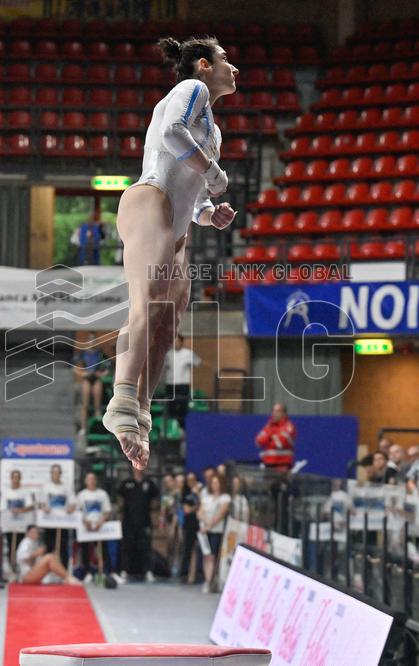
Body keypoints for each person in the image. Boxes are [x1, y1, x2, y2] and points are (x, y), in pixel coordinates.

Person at [101, 36, 238, 470]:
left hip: (176, 224)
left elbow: (194, 198)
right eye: (225, 60)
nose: (233, 69)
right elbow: (169, 133)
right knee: (146, 305)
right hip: (149, 201)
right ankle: (121, 402)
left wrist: (209, 213)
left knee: (168, 322)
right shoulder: (190, 90)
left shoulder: (213, 129)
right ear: (203, 65)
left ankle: (141, 413)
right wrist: (214, 172)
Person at [117, 467, 158, 583]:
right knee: (127, 546)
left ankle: (148, 571)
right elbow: (120, 500)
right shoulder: (126, 483)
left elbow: (154, 502)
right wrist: (121, 515)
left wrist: (155, 517)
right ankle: (124, 571)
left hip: (144, 521)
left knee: (145, 547)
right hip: (128, 521)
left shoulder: (149, 484)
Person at [76, 472, 113, 583]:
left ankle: (107, 572)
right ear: (85, 481)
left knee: (103, 550)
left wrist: (101, 521)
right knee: (85, 550)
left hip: (99, 526)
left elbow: (108, 511)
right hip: (86, 527)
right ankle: (87, 573)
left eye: (93, 479)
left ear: (96, 481)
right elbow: (78, 512)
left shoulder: (102, 494)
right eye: (89, 479)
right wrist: (84, 521)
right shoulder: (81, 495)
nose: (91, 481)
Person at [197, 474, 231, 593]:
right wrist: (205, 524)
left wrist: (210, 525)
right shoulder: (206, 497)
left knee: (212, 556)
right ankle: (207, 580)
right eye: (213, 483)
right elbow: (200, 512)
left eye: (217, 483)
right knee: (206, 556)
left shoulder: (225, 498)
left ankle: (211, 580)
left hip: (217, 530)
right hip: (204, 531)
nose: (215, 485)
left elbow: (220, 515)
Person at [15, 525, 81, 585]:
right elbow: (21, 558)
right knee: (49, 557)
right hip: (26, 576)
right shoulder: (25, 542)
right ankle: (68, 578)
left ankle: (66, 578)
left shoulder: (35, 542)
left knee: (53, 557)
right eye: (32, 532)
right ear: (27, 533)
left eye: (36, 532)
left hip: (32, 573)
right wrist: (35, 554)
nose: (35, 534)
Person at [39, 464, 76, 566]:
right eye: (53, 473)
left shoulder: (67, 487)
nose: (56, 475)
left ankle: (64, 570)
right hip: (49, 522)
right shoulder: (46, 487)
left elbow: (73, 503)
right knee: (49, 546)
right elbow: (41, 503)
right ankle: (46, 570)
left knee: (63, 547)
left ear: (60, 474)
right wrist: (44, 507)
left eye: (57, 473)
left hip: (63, 523)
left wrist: (70, 508)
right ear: (51, 474)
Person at [162, 334, 201, 427]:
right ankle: (171, 430)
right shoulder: (168, 354)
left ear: (182, 342)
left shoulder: (188, 353)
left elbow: (199, 362)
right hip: (170, 385)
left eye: (177, 341)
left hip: (183, 385)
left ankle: (183, 430)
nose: (175, 343)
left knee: (182, 408)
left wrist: (214, 368)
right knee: (171, 408)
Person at [72, 332, 109, 432]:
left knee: (97, 390)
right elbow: (75, 368)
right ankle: (83, 427)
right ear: (87, 342)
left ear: (96, 342)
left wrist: (101, 374)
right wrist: (82, 374)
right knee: (85, 404)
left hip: (96, 378)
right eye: (90, 340)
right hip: (86, 379)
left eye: (94, 340)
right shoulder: (82, 354)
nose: (91, 343)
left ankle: (97, 412)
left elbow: (107, 368)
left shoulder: (100, 354)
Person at [4, 470, 35, 577]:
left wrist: (20, 510)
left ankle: (21, 569)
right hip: (9, 524)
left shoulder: (25, 492)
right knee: (10, 546)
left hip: (22, 525)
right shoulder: (5, 492)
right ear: (11, 479)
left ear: (20, 479)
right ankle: (11, 567)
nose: (16, 479)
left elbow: (30, 506)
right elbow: (2, 508)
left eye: (18, 477)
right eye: (14, 477)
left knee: (20, 546)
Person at [254, 402, 297, 471]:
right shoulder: (269, 426)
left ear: (284, 413)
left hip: (283, 464)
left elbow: (280, 444)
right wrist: (272, 436)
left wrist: (268, 438)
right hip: (268, 463)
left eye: (277, 411)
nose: (274, 414)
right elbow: (259, 441)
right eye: (273, 411)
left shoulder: (289, 427)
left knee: (281, 482)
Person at [178, 472, 202, 584]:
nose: (191, 482)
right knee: (188, 548)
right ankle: (185, 573)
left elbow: (204, 505)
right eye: (189, 480)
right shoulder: (186, 493)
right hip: (189, 524)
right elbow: (187, 510)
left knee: (198, 550)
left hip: (201, 523)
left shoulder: (201, 491)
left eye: (193, 480)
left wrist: (198, 496)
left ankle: (194, 574)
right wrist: (196, 507)